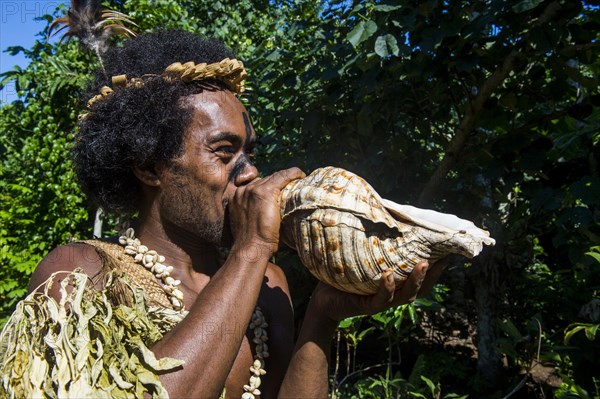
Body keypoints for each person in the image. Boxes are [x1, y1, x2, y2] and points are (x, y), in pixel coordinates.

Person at [2, 29, 444, 398]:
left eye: (249, 152)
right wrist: (252, 249)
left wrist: (323, 316)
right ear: (149, 165)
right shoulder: (79, 273)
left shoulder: (269, 287)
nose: (249, 172)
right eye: (224, 151)